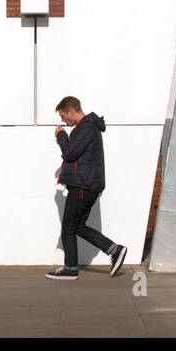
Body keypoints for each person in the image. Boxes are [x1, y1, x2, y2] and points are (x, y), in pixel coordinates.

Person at [48, 95, 127, 280]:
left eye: (63, 116)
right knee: (78, 226)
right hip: (87, 184)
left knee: (69, 226)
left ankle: (70, 268)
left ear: (71, 111)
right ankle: (114, 250)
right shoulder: (88, 128)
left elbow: (70, 153)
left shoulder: (86, 128)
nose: (63, 120)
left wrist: (61, 135)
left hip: (83, 185)